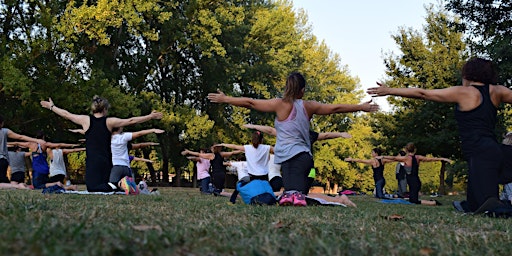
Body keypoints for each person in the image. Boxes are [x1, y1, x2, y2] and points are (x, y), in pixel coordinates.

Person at [208, 72, 378, 206]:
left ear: (287, 87)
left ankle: (339, 200)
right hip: (302, 159)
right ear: (302, 90)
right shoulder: (309, 105)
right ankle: (335, 199)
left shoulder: (279, 104)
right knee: (294, 197)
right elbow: (336, 108)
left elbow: (250, 102)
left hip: (294, 159)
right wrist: (360, 107)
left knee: (295, 197)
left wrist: (226, 99)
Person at [367, 57, 512, 212]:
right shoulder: (498, 91)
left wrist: (389, 90)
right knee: (475, 205)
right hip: (493, 151)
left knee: (489, 207)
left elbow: (423, 93)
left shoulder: (464, 92)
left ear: (468, 75)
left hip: (480, 154)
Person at [40, 96, 163, 192]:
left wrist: (52, 107)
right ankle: (122, 185)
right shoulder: (109, 122)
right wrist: (150, 117)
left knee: (93, 188)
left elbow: (66, 115)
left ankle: (121, 184)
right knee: (103, 187)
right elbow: (131, 121)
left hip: (92, 162)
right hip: (106, 162)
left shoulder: (85, 120)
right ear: (104, 109)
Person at [379, 143, 452, 205]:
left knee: (413, 201)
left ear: (406, 150)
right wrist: (443, 158)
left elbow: (394, 158)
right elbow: (430, 159)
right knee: (412, 199)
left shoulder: (406, 158)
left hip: (413, 182)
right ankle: (432, 202)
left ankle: (433, 203)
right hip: (415, 181)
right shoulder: (418, 157)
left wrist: (382, 156)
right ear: (415, 149)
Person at [109, 127, 164, 194]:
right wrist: (152, 132)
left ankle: (122, 184)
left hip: (116, 167)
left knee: (112, 186)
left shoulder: (108, 139)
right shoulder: (124, 139)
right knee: (132, 190)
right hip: (127, 168)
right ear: (119, 128)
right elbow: (139, 141)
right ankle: (140, 186)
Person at [0, 115, 46, 189]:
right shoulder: (5, 131)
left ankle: (17, 186)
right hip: (3, 160)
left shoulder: (5, 131)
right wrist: (37, 140)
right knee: (3, 181)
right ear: (2, 123)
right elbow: (20, 137)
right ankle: (20, 185)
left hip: (2, 161)